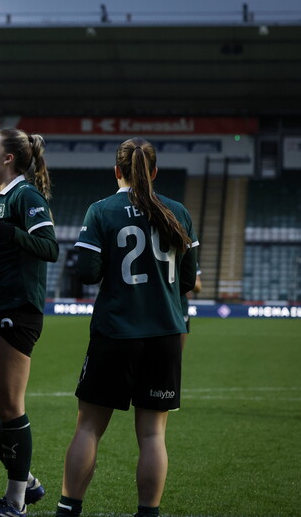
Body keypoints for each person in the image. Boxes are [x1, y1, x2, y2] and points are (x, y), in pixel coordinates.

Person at [56, 138, 198, 517]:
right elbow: (187, 281)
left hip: (116, 332)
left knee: (88, 429)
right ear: (154, 172)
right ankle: (147, 514)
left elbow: (86, 273)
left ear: (117, 171)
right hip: (164, 335)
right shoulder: (178, 212)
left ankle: (68, 510)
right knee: (153, 436)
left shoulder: (101, 211)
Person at [0, 129, 57, 517]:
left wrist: (12, 233)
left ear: (8, 158)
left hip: (15, 308)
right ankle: (27, 481)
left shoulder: (26, 195)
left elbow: (49, 247)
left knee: (9, 406)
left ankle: (16, 499)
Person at [180, 271, 202, 349]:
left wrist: (188, 280)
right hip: (156, 307)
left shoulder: (188, 259)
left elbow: (198, 287)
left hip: (180, 309)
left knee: (176, 357)